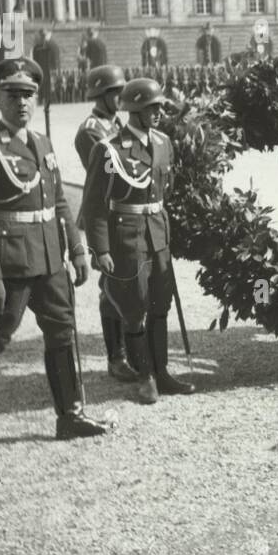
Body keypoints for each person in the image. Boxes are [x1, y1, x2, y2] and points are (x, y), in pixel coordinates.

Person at [0, 58, 112, 460]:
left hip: (49, 259)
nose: (22, 102)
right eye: (13, 94)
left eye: (28, 95)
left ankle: (70, 414)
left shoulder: (42, 143)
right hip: (12, 266)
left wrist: (76, 250)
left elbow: (58, 202)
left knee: (62, 332)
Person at [81, 78, 196, 404]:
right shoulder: (109, 150)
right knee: (134, 307)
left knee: (161, 303)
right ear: (133, 109)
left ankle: (162, 373)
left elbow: (165, 189)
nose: (158, 112)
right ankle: (144, 376)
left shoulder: (163, 143)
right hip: (126, 237)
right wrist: (100, 249)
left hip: (157, 233)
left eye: (160, 106)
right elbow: (94, 204)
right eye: (151, 107)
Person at [74, 65, 135, 384]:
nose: (121, 96)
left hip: (124, 211)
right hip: (106, 213)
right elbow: (109, 166)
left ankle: (130, 349)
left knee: (131, 279)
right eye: (115, 92)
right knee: (111, 285)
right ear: (100, 94)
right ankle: (117, 357)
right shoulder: (91, 129)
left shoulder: (116, 121)